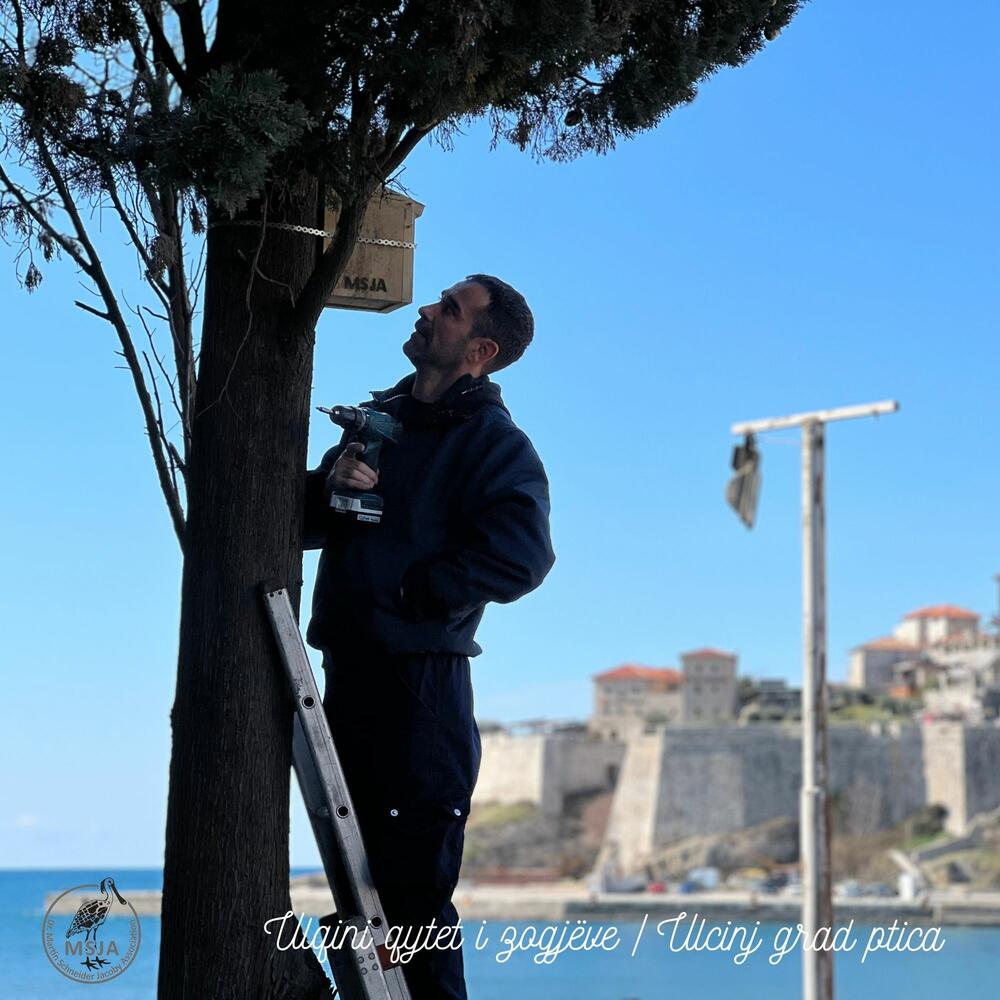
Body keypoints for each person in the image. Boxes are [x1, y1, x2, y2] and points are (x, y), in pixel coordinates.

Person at [302, 274, 555, 998]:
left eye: (448, 309)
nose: (425, 311)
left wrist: (417, 591)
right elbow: (311, 522)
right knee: (362, 898)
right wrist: (333, 487)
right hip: (348, 675)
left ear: (480, 350)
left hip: (423, 692)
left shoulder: (493, 443)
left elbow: (522, 557)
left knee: (413, 909)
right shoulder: (378, 417)